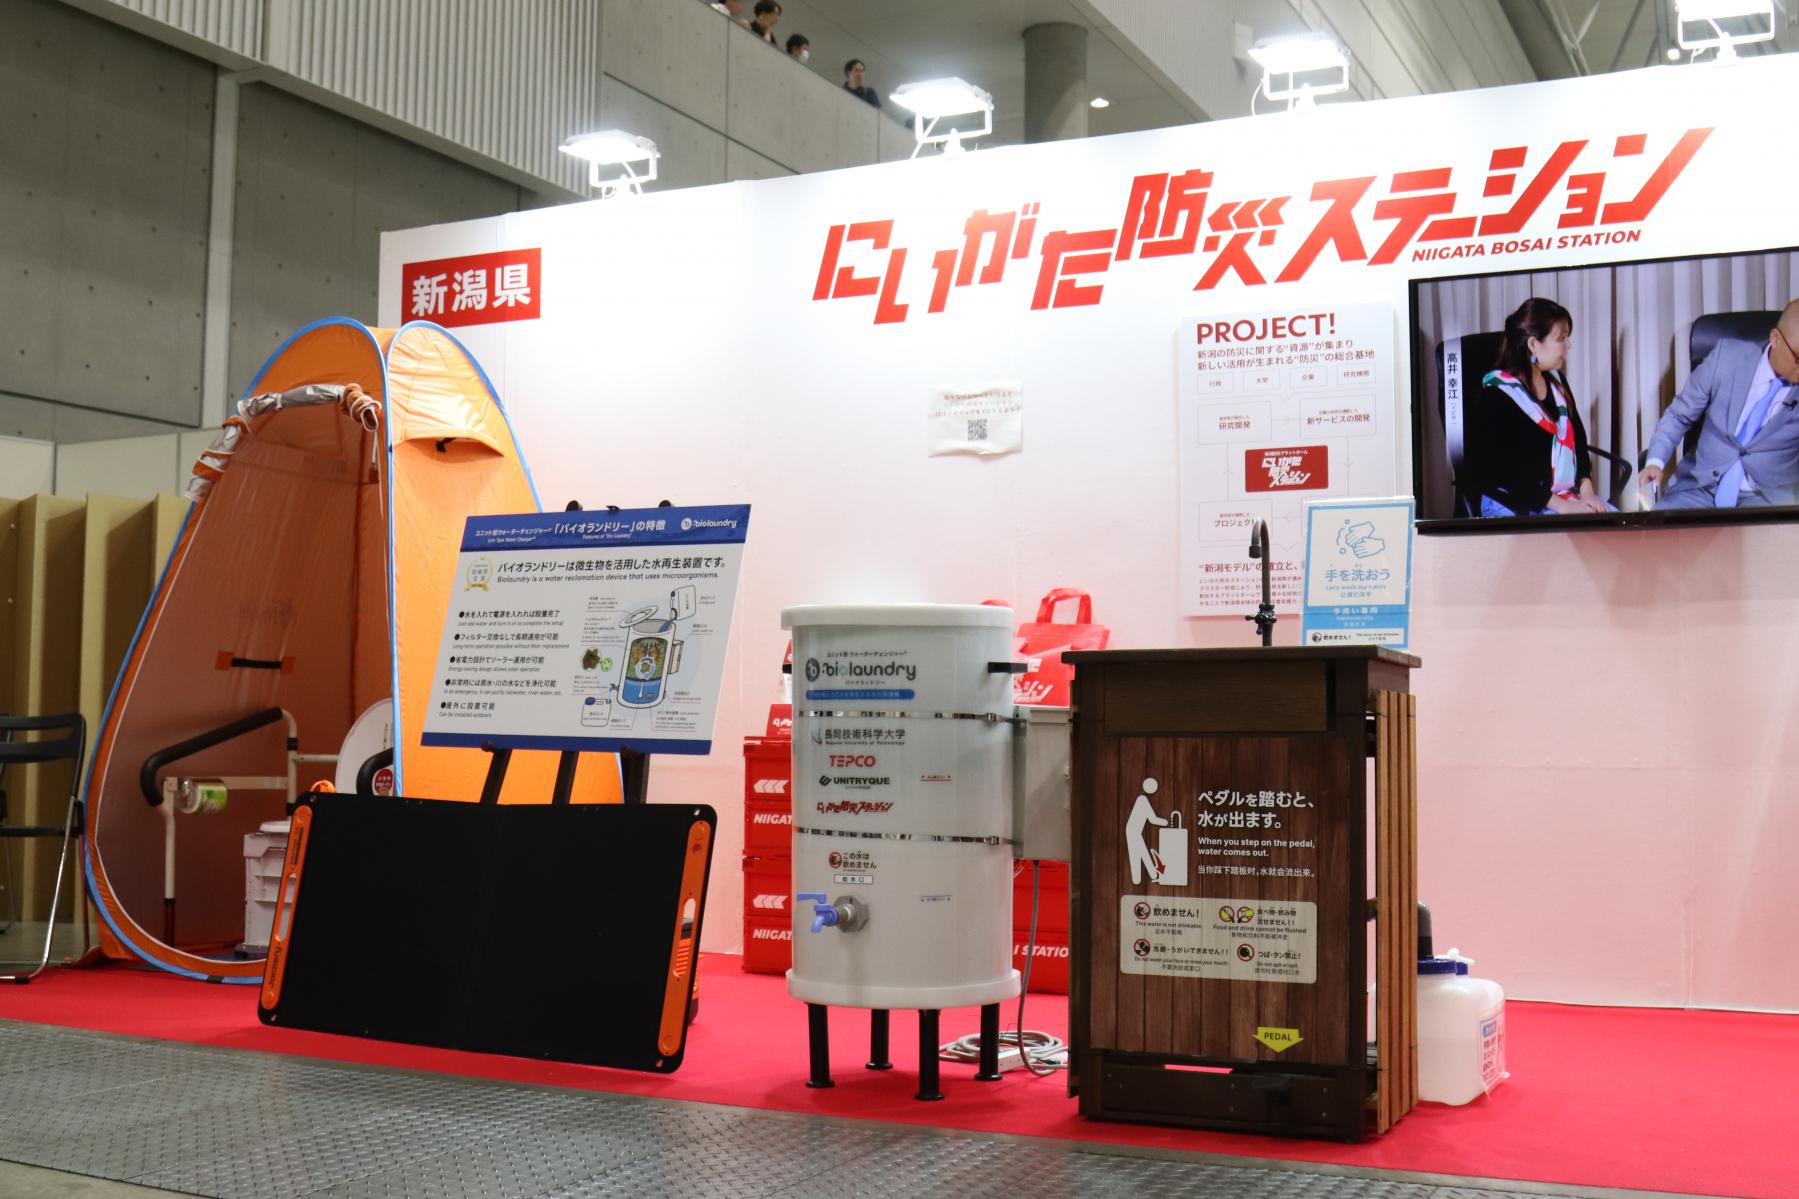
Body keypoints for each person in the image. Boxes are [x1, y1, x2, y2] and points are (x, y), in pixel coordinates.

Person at [1641, 300, 1799, 509]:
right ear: (1775, 338)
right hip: (1698, 489)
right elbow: (1679, 415)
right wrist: (1655, 462)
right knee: (1659, 528)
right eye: (1798, 358)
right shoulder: (1726, 358)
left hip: (1765, 500)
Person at [1466, 298, 1609, 517]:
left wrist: (1587, 492)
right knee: (1574, 533)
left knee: (1611, 523)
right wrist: (1562, 506)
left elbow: (1578, 442)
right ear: (1533, 344)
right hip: (1514, 501)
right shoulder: (1497, 393)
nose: (1568, 345)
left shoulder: (1558, 383)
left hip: (1561, 496)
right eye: (1561, 338)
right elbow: (1505, 472)